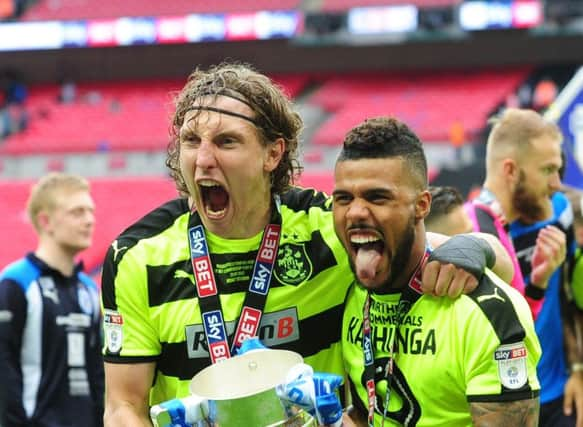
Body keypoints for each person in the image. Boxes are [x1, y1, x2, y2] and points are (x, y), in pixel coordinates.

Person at [100, 62, 516, 426]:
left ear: (273, 153)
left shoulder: (326, 231)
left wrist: (472, 249)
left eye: (226, 141)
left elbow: (498, 264)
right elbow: (123, 404)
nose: (203, 159)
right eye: (191, 141)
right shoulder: (136, 256)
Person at [334, 116, 541, 426]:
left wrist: (477, 246)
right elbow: (371, 411)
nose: (356, 212)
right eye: (343, 198)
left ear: (421, 205)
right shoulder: (350, 288)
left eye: (378, 197)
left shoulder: (484, 313)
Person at [475, 108, 582, 426]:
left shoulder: (560, 212)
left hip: (561, 396)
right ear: (511, 170)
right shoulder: (472, 231)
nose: (556, 184)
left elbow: (568, 296)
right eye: (547, 170)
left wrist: (578, 369)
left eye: (558, 170)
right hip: (501, 405)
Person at [0, 172, 104, 426]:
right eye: (77, 212)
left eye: (90, 211)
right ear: (46, 221)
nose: (89, 220)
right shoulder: (16, 283)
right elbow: (4, 368)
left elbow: (97, 374)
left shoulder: (89, 290)